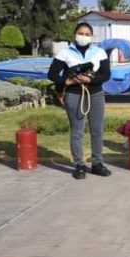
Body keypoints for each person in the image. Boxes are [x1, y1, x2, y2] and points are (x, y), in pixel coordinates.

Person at [48, 22, 112, 180]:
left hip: (95, 94)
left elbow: (106, 74)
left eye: (87, 34)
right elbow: (52, 74)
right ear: (75, 34)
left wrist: (90, 79)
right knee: (77, 132)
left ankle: (97, 163)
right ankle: (79, 164)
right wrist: (67, 82)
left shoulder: (99, 52)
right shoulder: (65, 52)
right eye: (81, 33)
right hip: (74, 95)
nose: (84, 36)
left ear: (91, 36)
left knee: (97, 131)